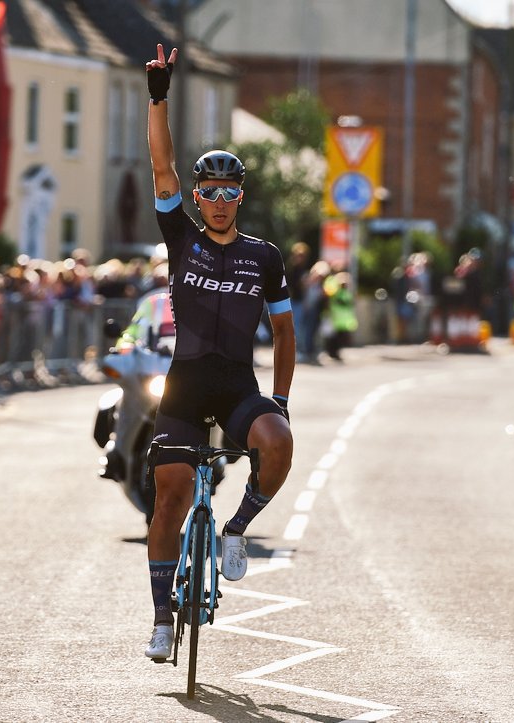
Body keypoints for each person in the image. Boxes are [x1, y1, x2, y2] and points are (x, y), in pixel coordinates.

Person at [143, 44, 295, 660]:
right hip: (185, 382)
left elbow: (285, 333)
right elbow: (162, 168)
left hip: (237, 383)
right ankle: (159, 620)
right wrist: (158, 98)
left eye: (231, 191)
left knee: (279, 444)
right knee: (171, 496)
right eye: (211, 191)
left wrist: (280, 400)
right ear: (199, 198)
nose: (220, 199)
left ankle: (234, 531)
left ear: (241, 198)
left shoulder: (265, 256)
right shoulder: (181, 238)